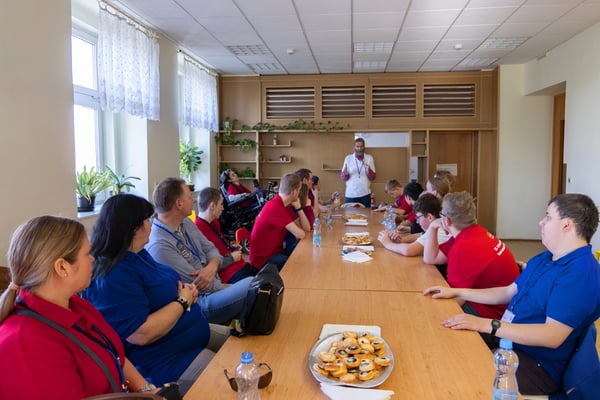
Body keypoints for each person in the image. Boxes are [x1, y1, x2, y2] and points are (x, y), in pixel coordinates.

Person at [423, 193, 600, 396]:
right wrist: (456, 291)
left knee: (456, 374)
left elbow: (552, 335)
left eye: (548, 217)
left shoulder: (580, 274)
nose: (541, 222)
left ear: (566, 225)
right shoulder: (547, 257)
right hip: (509, 340)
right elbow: (508, 292)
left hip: (536, 364)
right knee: (444, 338)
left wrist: (487, 324)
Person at [0, 216, 159, 399]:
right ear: (62, 268)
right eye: (87, 254)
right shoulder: (26, 345)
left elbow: (114, 356)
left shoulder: (75, 304)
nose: (93, 259)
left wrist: (147, 391)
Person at [84, 194, 228, 394]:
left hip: (188, 333)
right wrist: (182, 301)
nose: (151, 224)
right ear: (134, 228)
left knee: (243, 346)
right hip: (169, 360)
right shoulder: (113, 275)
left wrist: (186, 291)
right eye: (147, 219)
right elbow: (140, 334)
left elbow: (160, 287)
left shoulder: (138, 253)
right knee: (231, 376)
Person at [146, 177, 253, 324]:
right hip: (199, 301)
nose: (194, 200)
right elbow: (198, 283)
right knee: (253, 285)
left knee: (258, 288)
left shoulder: (185, 222)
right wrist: (225, 286)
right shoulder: (160, 245)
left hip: (214, 286)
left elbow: (211, 248)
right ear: (179, 204)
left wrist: (212, 266)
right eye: (190, 196)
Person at [423, 191, 520, 319]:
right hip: (504, 303)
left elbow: (455, 299)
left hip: (494, 313)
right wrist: (432, 228)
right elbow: (431, 258)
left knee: (431, 313)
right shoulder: (473, 232)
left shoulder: (463, 247)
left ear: (446, 220)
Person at [194, 187, 257, 283]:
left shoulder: (214, 221)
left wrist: (232, 246)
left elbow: (220, 242)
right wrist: (231, 258)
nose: (223, 208)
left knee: (268, 274)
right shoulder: (197, 230)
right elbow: (207, 267)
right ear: (212, 206)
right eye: (221, 204)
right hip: (229, 274)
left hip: (239, 265)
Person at [249, 173, 309, 270]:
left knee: (304, 257)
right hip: (263, 260)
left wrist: (299, 208)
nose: (299, 193)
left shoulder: (283, 204)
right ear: (294, 192)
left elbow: (306, 228)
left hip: (275, 252)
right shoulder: (275, 207)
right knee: (300, 266)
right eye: (299, 190)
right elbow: (300, 234)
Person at [378, 193, 452, 256]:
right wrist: (399, 241)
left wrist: (387, 244)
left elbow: (408, 250)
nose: (417, 222)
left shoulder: (438, 230)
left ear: (429, 217)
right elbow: (420, 235)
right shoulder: (438, 225)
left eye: (418, 217)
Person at [340, 137, 376, 207]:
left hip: (365, 194)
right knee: (350, 214)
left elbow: (373, 177)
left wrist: (369, 171)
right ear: (354, 147)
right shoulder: (348, 158)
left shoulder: (369, 158)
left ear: (364, 147)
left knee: (366, 214)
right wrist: (345, 174)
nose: (359, 148)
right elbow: (343, 178)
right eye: (357, 146)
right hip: (350, 195)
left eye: (361, 146)